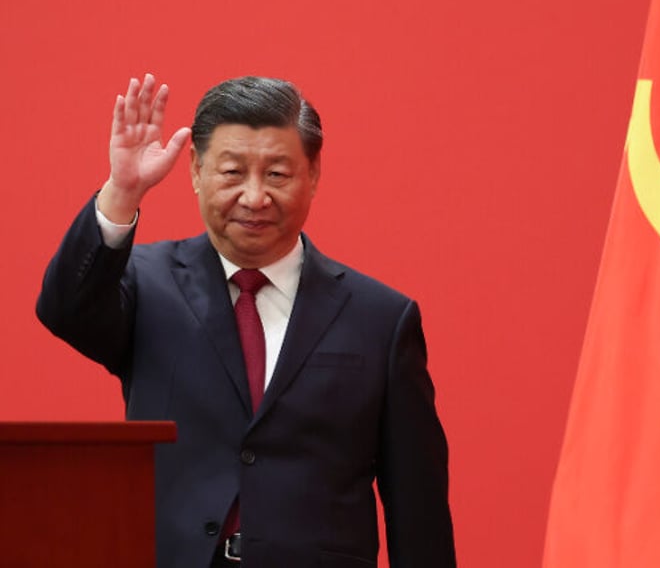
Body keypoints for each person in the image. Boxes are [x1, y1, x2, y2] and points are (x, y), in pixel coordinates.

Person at [36, 74, 456, 568]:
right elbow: (64, 310)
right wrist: (122, 192)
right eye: (232, 172)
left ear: (314, 173)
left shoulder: (381, 319)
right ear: (195, 170)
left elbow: (418, 510)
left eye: (277, 174)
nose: (255, 197)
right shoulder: (144, 285)